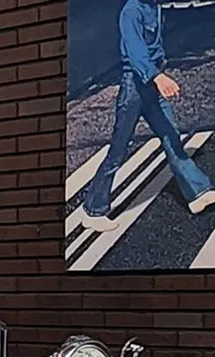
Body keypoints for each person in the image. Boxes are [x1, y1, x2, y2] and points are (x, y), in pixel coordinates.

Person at [81, 0, 215, 232]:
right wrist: (157, 77)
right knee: (118, 151)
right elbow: (135, 52)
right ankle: (93, 210)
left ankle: (198, 192)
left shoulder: (154, 7)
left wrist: (159, 72)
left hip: (152, 83)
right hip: (135, 87)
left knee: (171, 136)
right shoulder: (131, 11)